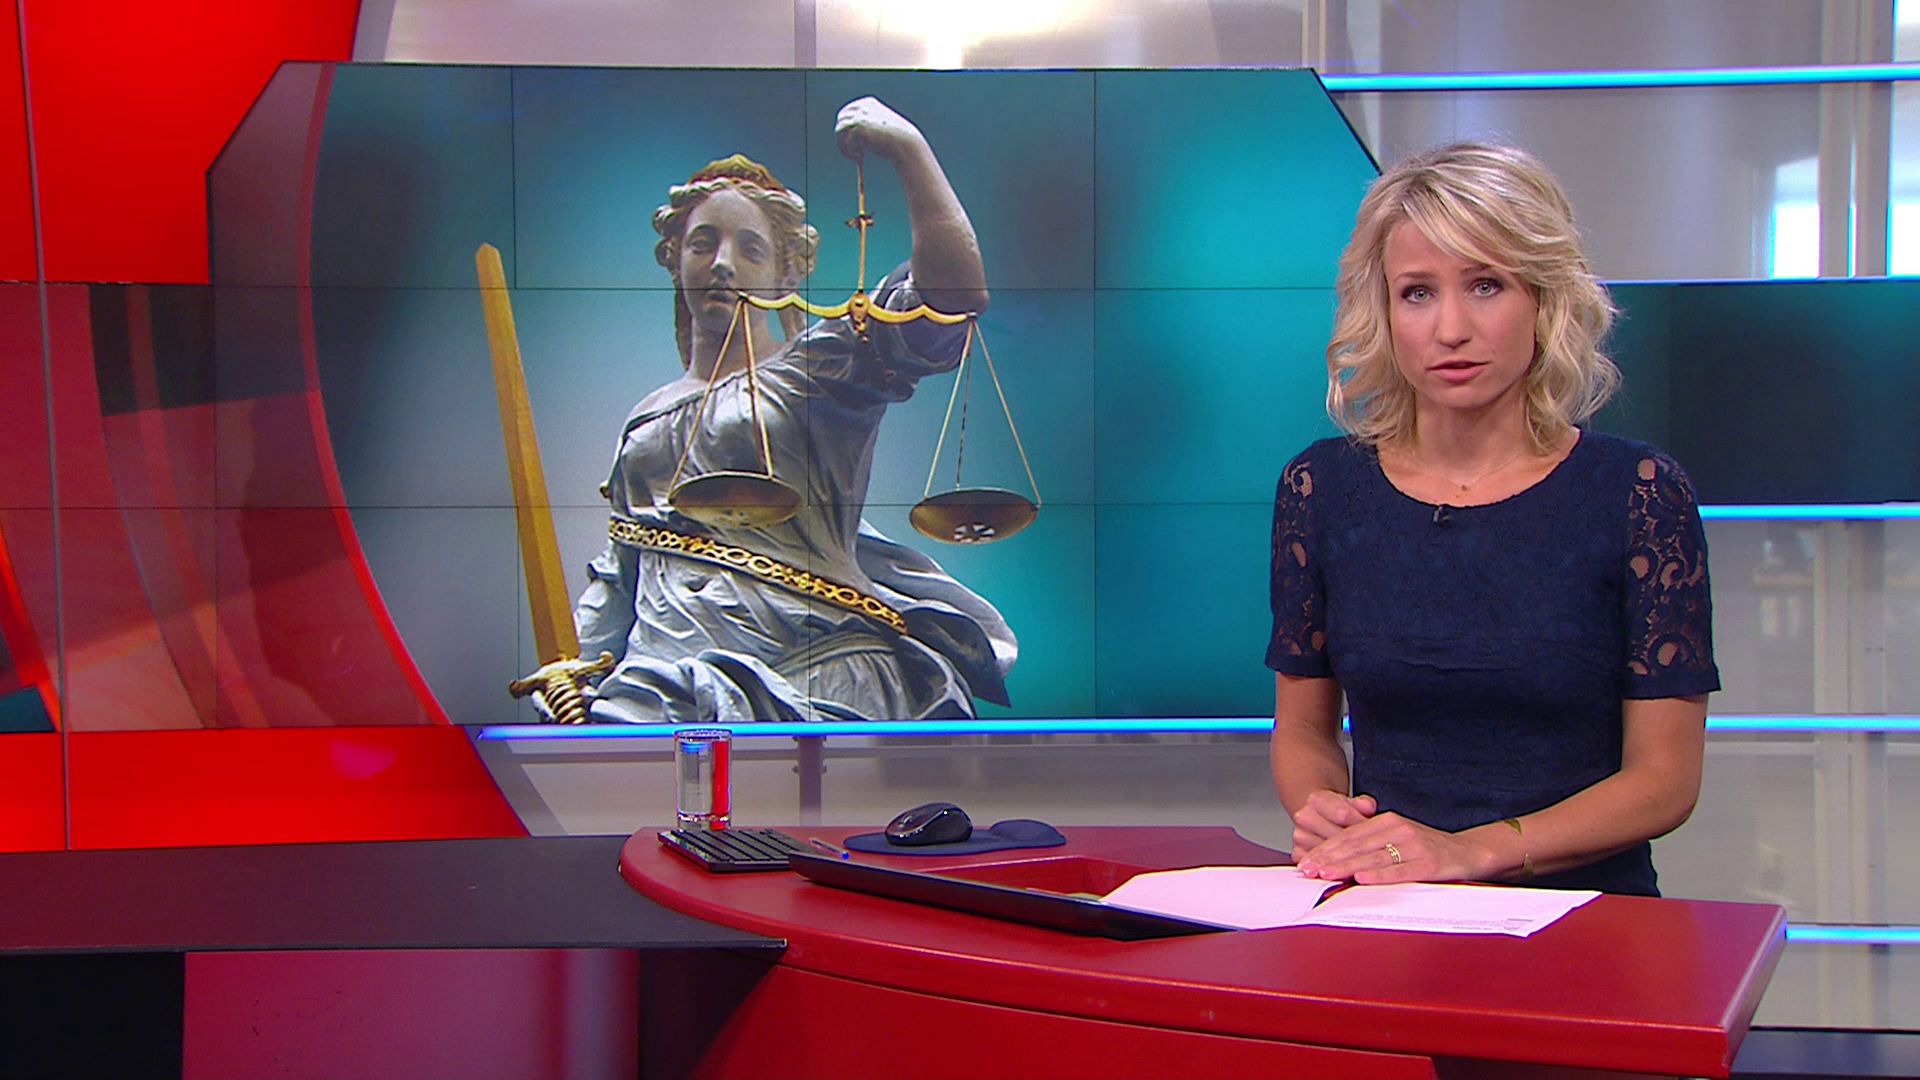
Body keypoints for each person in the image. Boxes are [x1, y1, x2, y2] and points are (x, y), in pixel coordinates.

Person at [1266, 141, 1717, 896]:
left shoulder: (1639, 493)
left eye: (1485, 285)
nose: (1451, 328)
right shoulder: (1320, 488)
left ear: (1544, 300)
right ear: (1383, 312)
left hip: (1584, 917)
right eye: (1417, 292)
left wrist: (1470, 852)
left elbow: (1664, 781)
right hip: (1387, 909)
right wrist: (1329, 812)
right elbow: (1304, 727)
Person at [573, 97, 1016, 724]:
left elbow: (954, 296)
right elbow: (624, 568)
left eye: (751, 250)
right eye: (703, 243)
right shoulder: (647, 418)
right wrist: (582, 669)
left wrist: (909, 150)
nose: (722, 264)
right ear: (675, 260)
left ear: (786, 276)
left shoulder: (820, 370)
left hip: (814, 667)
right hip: (662, 682)